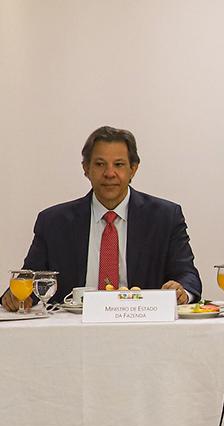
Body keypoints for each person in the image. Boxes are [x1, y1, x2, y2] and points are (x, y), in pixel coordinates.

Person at [2, 126, 201, 310]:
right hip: (71, 332)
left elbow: (188, 275)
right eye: (100, 164)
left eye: (119, 164)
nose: (109, 173)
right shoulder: (54, 222)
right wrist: (17, 296)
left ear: (133, 169)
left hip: (142, 326)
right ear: (86, 168)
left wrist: (181, 291)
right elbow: (29, 280)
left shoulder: (165, 217)